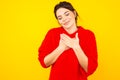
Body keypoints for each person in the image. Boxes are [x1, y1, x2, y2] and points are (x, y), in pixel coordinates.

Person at [38, 1, 98, 80]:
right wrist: (61, 48)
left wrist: (76, 47)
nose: (64, 19)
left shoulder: (88, 35)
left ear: (74, 13)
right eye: (60, 18)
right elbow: (44, 63)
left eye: (67, 14)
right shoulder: (52, 34)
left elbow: (90, 68)